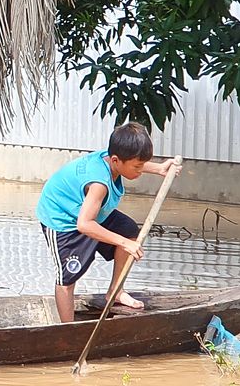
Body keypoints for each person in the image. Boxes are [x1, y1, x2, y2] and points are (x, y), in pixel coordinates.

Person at [36, 122, 181, 323]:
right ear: (115, 160)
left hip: (90, 212)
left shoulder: (114, 158)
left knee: (129, 230)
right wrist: (123, 243)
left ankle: (115, 290)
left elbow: (129, 161)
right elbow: (84, 225)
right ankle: (67, 331)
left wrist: (159, 168)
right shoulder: (99, 183)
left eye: (142, 165)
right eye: (137, 167)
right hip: (63, 219)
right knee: (67, 278)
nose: (140, 171)